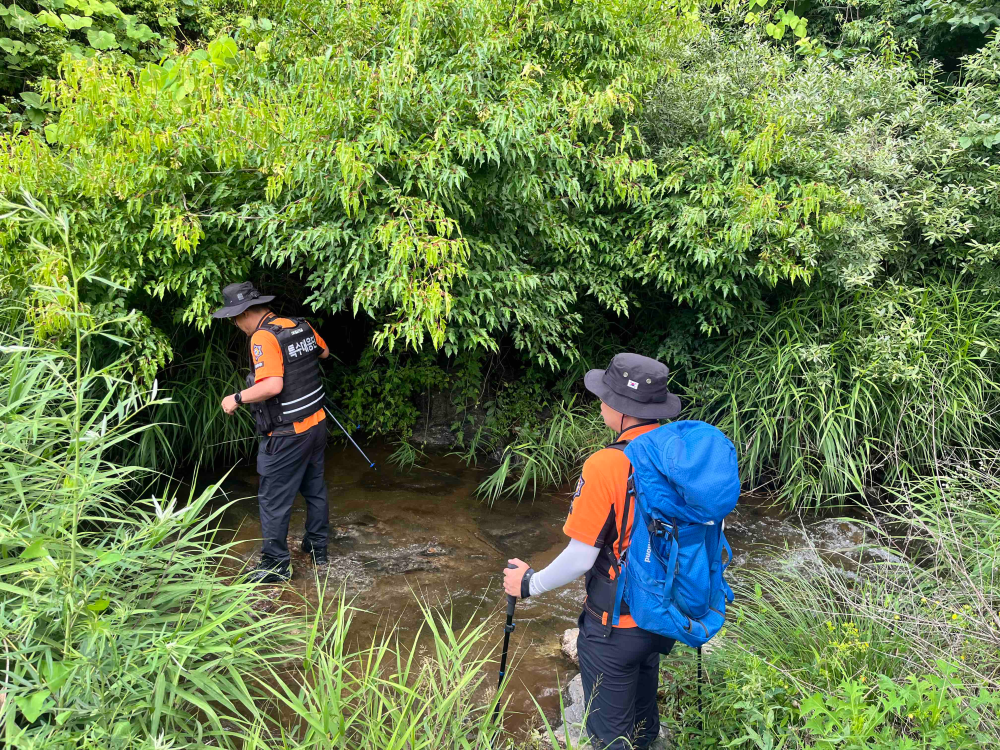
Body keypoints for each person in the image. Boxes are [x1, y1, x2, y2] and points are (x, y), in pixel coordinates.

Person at [502, 353, 683, 750]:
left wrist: (528, 585)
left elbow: (581, 557)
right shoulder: (680, 458)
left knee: (609, 738)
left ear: (620, 409)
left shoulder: (606, 465)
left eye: (604, 396)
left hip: (615, 628)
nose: (600, 402)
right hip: (664, 616)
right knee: (642, 725)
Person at [212, 281, 330, 584]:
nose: (236, 325)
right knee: (314, 489)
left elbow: (272, 386)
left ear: (243, 314)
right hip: (316, 424)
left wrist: (236, 398)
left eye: (234, 319)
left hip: (288, 435)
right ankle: (317, 549)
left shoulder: (262, 337)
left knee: (273, 500)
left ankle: (275, 565)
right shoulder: (297, 324)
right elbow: (324, 352)